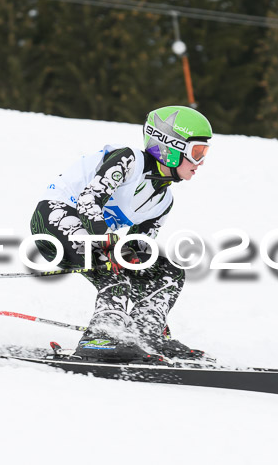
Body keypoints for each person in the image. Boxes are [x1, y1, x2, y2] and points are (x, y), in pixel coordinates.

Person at [29, 106, 212, 361]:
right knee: (111, 265)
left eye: (205, 152)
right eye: (197, 152)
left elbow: (138, 250)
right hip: (52, 218)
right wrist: (110, 246)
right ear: (170, 146)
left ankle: (147, 333)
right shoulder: (129, 160)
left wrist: (134, 260)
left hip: (92, 236)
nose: (201, 161)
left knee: (168, 271)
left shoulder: (163, 201)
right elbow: (88, 201)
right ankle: (101, 337)